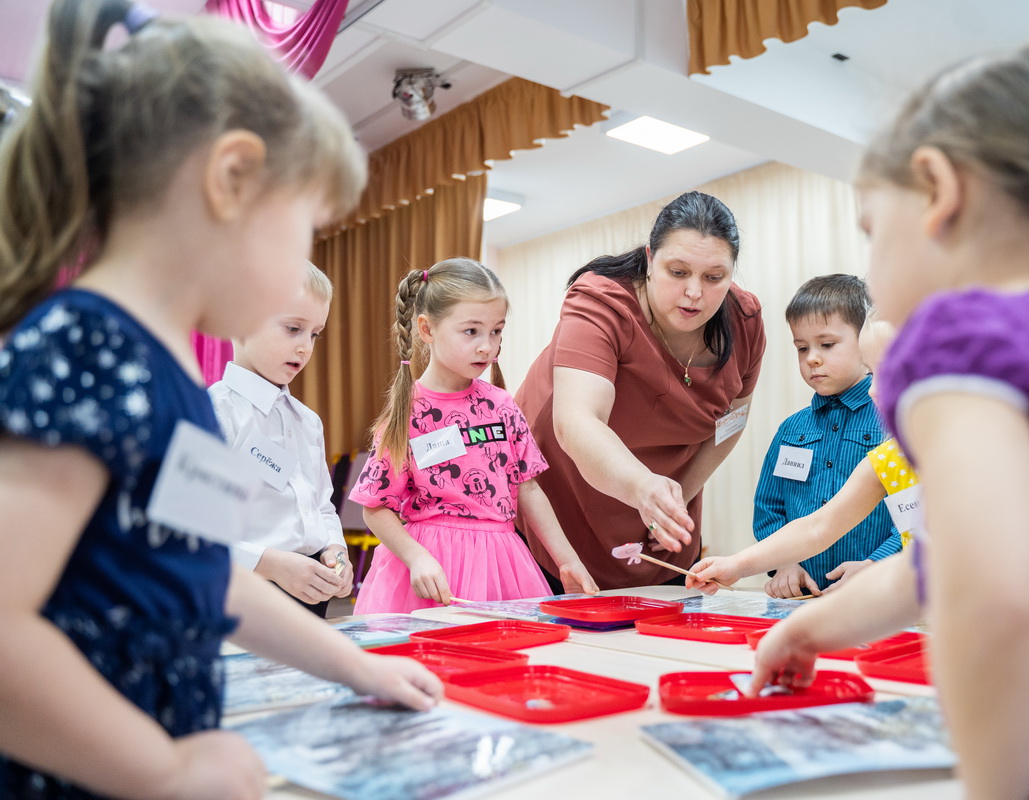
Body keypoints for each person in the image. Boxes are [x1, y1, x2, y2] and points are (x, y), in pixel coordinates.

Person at [0, 3, 441, 797]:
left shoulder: (173, 375)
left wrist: (355, 665)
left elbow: (208, 574)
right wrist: (164, 770)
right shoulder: (88, 348)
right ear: (231, 180)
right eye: (303, 231)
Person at [751, 42, 1029, 800]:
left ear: (938, 189)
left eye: (872, 231)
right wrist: (808, 629)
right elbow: (940, 562)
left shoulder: (955, 337)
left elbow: (1001, 599)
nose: (874, 263)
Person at [514, 192, 766, 590]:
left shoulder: (744, 320)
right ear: (650, 259)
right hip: (565, 503)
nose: (694, 292)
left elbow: (733, 420)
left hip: (661, 517)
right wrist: (642, 487)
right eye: (678, 272)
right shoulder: (600, 302)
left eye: (714, 277)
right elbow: (577, 421)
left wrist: (677, 500)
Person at [347, 258, 598, 613]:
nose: (487, 346)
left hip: (501, 565)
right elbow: (375, 507)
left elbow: (527, 489)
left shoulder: (502, 405)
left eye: (496, 331)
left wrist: (567, 560)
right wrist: (416, 557)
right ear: (426, 329)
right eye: (471, 331)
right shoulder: (408, 413)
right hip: (433, 569)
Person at [688, 316, 916, 595]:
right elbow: (818, 527)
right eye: (872, 372)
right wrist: (736, 565)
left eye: (889, 372)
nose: (873, 389)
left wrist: (876, 563)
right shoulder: (890, 458)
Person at [209, 262, 353, 617]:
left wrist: (335, 550)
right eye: (293, 329)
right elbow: (192, 532)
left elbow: (321, 506)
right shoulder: (213, 412)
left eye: (315, 334)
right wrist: (271, 565)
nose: (305, 347)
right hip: (243, 595)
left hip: (310, 595)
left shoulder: (308, 421)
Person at [747, 276, 898, 597]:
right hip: (805, 597)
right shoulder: (791, 429)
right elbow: (769, 509)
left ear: (865, 340)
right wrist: (784, 565)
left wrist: (876, 563)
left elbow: (918, 514)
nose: (812, 358)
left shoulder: (895, 422)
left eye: (827, 345)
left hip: (881, 593)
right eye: (802, 348)